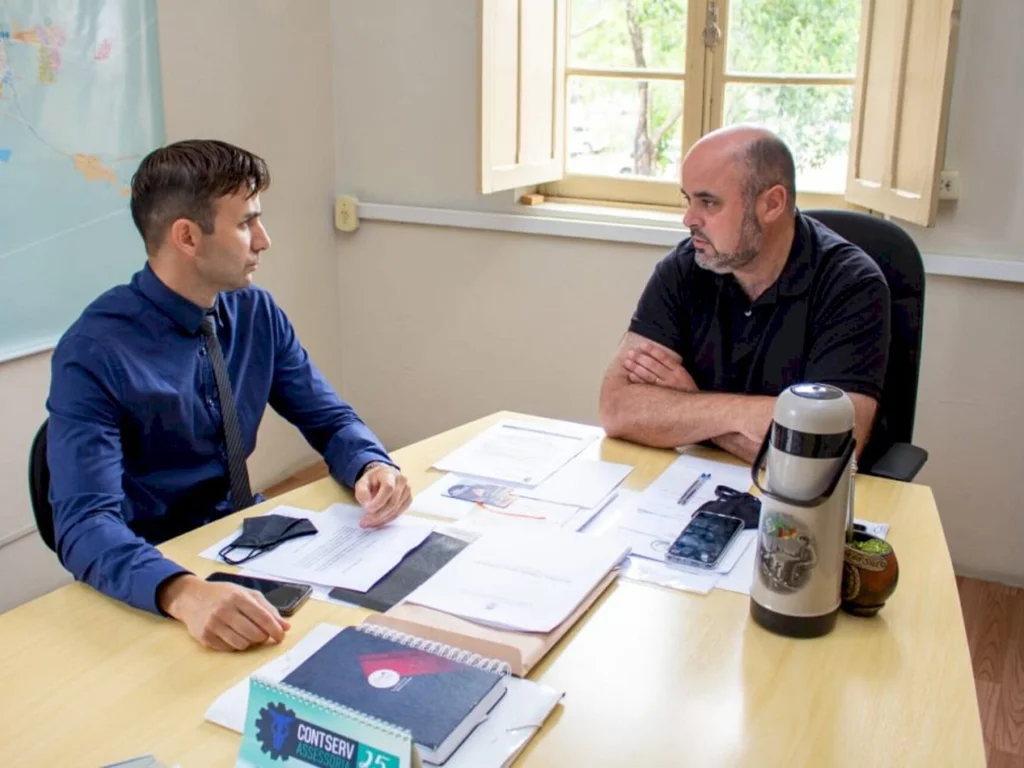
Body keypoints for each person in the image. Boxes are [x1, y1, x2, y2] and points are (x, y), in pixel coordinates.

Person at [46, 139, 412, 652]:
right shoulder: (92, 352)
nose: (264, 240)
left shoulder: (255, 312)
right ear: (188, 237)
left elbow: (329, 420)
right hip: (158, 574)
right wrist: (184, 593)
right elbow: (84, 525)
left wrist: (371, 465)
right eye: (246, 223)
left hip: (249, 545)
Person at [599, 125, 891, 464]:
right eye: (688, 199)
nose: (688, 219)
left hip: (813, 505)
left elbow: (825, 454)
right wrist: (743, 419)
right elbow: (617, 409)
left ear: (772, 204)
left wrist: (691, 402)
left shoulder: (851, 284)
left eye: (708, 202)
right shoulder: (683, 268)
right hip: (698, 480)